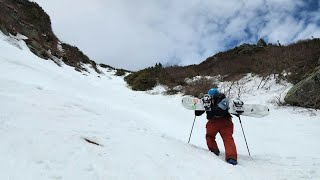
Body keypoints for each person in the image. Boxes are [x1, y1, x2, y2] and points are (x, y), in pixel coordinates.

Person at [195, 88, 238, 165]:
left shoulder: (207, 100)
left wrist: (199, 105)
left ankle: (214, 150)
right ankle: (232, 158)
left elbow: (197, 113)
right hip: (226, 122)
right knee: (228, 139)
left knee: (210, 136)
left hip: (213, 122)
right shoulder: (225, 99)